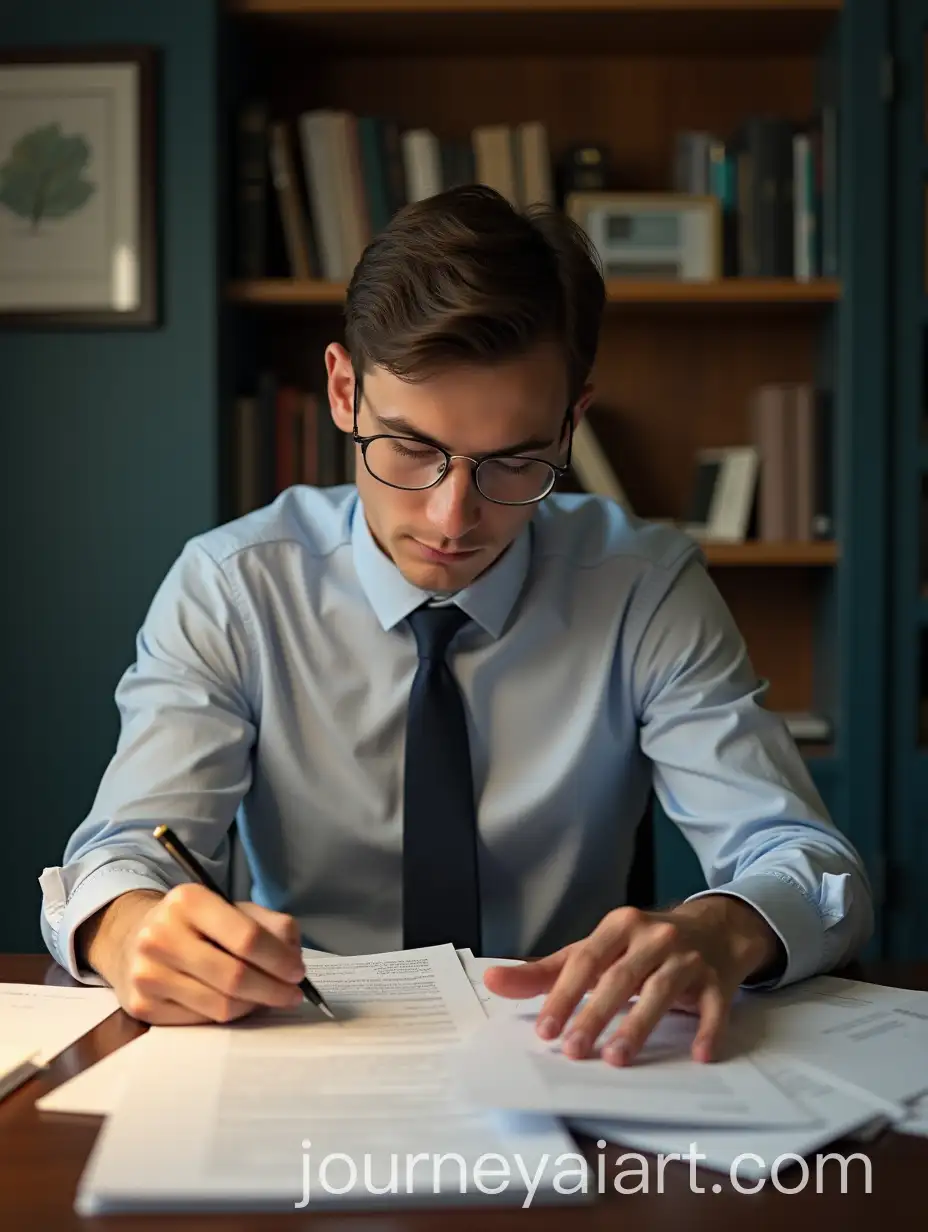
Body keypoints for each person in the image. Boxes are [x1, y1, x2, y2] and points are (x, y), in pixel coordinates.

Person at [39, 185, 873, 1068]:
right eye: (409, 449)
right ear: (344, 390)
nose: (451, 517)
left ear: (570, 424)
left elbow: (810, 863)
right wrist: (127, 929)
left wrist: (724, 926)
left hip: (569, 1049)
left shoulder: (644, 587)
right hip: (301, 1046)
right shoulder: (232, 587)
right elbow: (126, 850)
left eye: (515, 461)